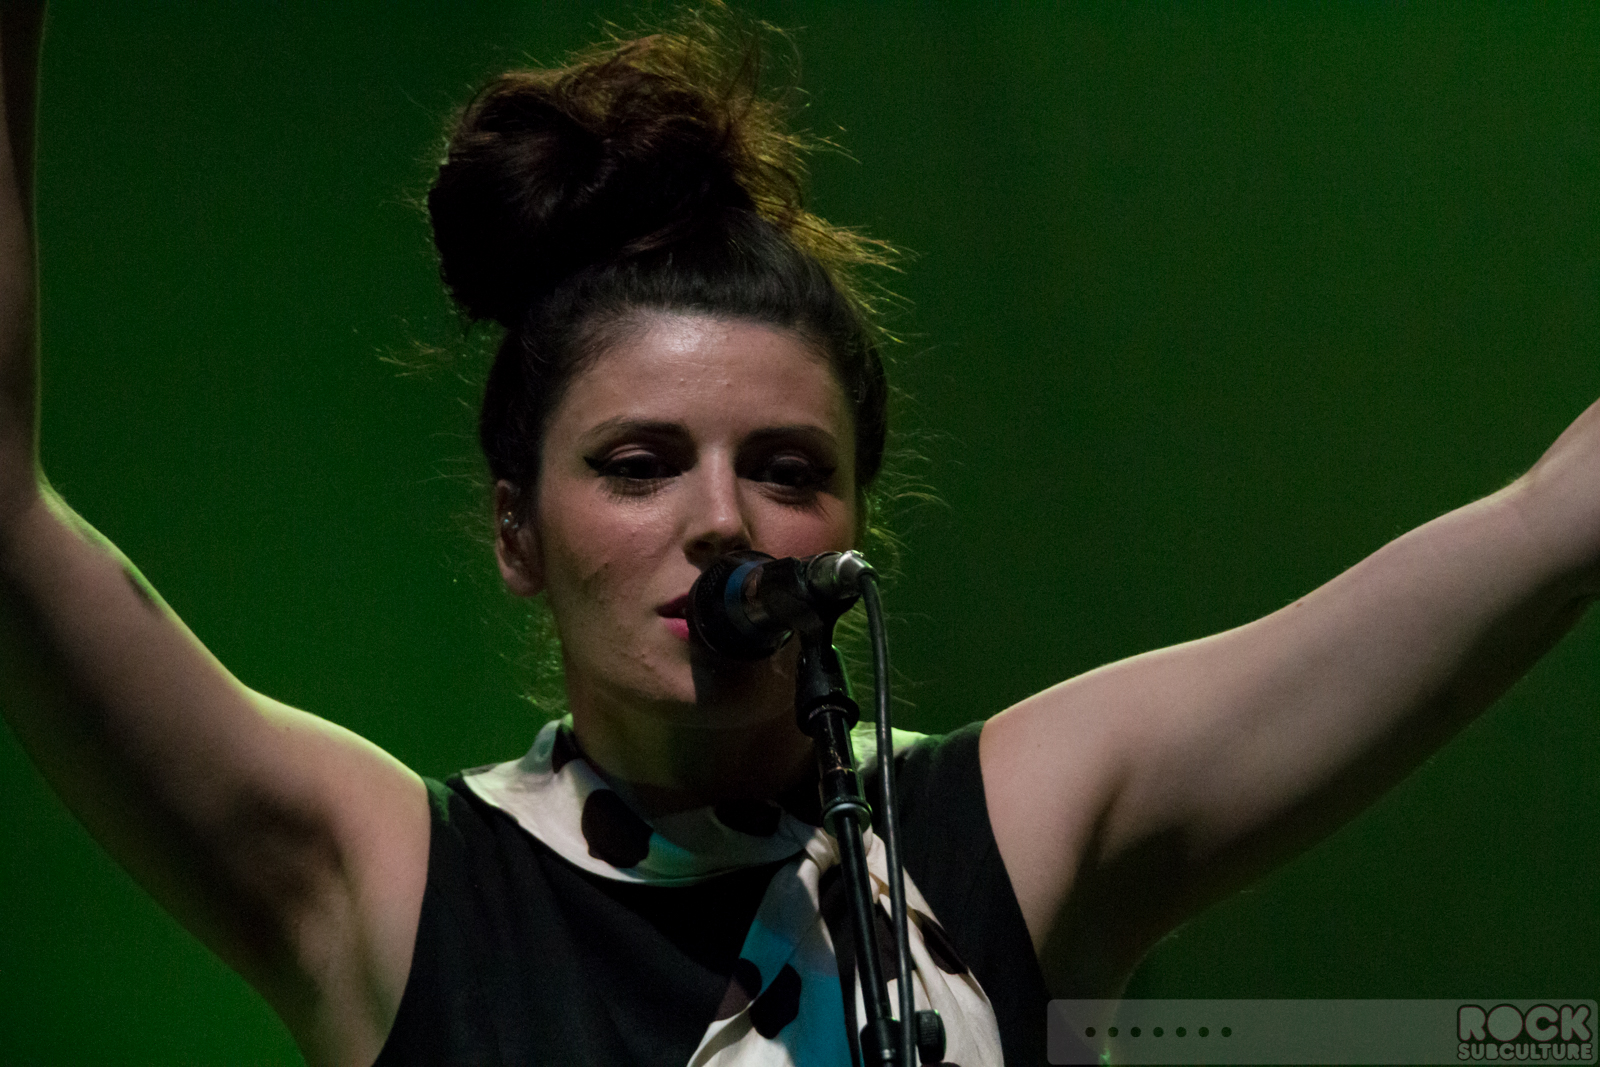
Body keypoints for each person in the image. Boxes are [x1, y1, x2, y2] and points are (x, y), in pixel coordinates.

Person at [1, 6, 1596, 1066]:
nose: (721, 520)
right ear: (517, 532)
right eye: (638, 465)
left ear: (850, 523)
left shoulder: (1007, 828)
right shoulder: (392, 883)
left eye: (785, 468)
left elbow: (1552, 522)